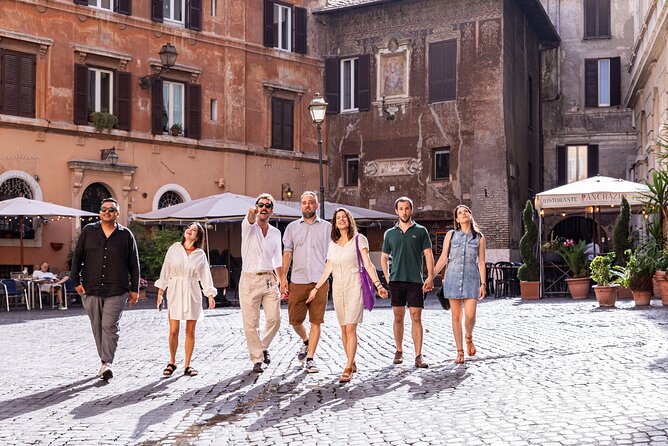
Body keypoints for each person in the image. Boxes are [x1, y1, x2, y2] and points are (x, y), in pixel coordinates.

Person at [309, 208, 388, 383]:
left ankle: (348, 366)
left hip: (354, 287)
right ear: (335, 223)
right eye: (338, 218)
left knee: (351, 328)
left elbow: (368, 265)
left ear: (349, 220)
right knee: (344, 328)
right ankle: (351, 360)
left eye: (344, 217)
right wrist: (315, 288)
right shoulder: (333, 244)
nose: (342, 220)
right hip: (338, 289)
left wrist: (378, 285)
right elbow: (327, 269)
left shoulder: (359, 239)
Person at [71, 198, 140, 380]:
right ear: (99, 212)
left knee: (109, 326)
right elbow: (77, 257)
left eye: (111, 209)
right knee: (97, 327)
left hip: (117, 289)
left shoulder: (126, 235)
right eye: (103, 209)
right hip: (91, 287)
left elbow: (134, 263)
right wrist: (75, 281)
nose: (107, 211)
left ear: (117, 213)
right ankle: (104, 361)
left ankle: (106, 363)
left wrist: (135, 288)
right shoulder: (88, 231)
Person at [156, 222, 217, 377]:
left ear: (198, 237)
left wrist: (209, 294)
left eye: (194, 230)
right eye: (189, 228)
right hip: (175, 290)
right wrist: (160, 292)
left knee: (190, 331)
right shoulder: (174, 249)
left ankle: (187, 365)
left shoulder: (200, 254)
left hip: (192, 291)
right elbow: (165, 270)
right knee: (173, 330)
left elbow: (205, 275)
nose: (190, 230)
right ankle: (172, 362)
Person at [281, 191, 331, 373]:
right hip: (298, 280)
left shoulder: (327, 228)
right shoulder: (292, 228)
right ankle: (306, 340)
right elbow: (287, 253)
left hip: (319, 281)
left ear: (317, 206)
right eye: (304, 203)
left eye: (311, 202)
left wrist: (324, 279)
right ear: (300, 206)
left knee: (316, 321)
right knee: (295, 320)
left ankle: (310, 358)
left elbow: (330, 257)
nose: (307, 205)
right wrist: (283, 277)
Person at [381, 197, 434, 368]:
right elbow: (383, 257)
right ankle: (399, 350)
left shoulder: (421, 231)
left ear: (411, 210)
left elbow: (428, 255)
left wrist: (430, 276)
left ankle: (418, 355)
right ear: (396, 211)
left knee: (416, 317)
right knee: (398, 317)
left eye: (407, 208)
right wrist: (388, 278)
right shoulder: (390, 233)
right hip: (396, 281)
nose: (404, 211)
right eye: (401, 208)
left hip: (415, 281)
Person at [434, 205, 486, 364]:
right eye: (460, 213)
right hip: (452, 278)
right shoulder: (451, 235)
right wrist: (430, 277)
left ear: (470, 215)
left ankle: (468, 337)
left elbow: (482, 261)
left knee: (470, 315)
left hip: (472, 279)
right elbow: (443, 258)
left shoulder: (479, 237)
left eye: (466, 212)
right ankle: (459, 351)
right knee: (456, 317)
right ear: (456, 219)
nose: (463, 214)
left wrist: (483, 283)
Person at [240, 193, 283, 373]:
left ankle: (262, 346)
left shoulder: (275, 232)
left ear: (272, 211)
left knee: (275, 319)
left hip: (269, 279)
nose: (263, 208)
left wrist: (282, 281)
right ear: (257, 207)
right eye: (261, 205)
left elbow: (277, 260)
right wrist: (251, 213)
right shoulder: (248, 226)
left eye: (267, 206)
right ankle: (257, 359)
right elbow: (250, 219)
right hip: (249, 279)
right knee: (251, 323)